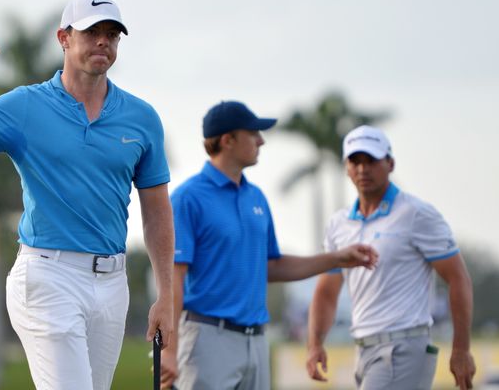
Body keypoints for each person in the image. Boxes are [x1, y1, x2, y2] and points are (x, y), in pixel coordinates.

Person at [0, 0, 174, 390]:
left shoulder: (141, 118)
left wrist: (166, 294)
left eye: (112, 34)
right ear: (63, 38)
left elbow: (158, 213)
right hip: (48, 276)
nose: (103, 42)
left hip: (112, 283)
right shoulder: (26, 105)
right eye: (92, 32)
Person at [160, 101, 379, 390]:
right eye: (253, 134)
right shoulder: (188, 198)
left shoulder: (256, 198)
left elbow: (271, 266)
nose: (261, 140)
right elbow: (174, 278)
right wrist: (169, 350)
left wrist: (337, 258)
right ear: (228, 140)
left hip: (257, 342)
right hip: (207, 339)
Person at [306, 125, 476, 390]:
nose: (363, 169)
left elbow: (458, 279)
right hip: (363, 350)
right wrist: (315, 344)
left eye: (371, 160)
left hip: (403, 348)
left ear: (390, 163)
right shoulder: (338, 224)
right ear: (346, 167)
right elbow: (327, 291)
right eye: (355, 161)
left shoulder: (416, 214)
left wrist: (461, 349)